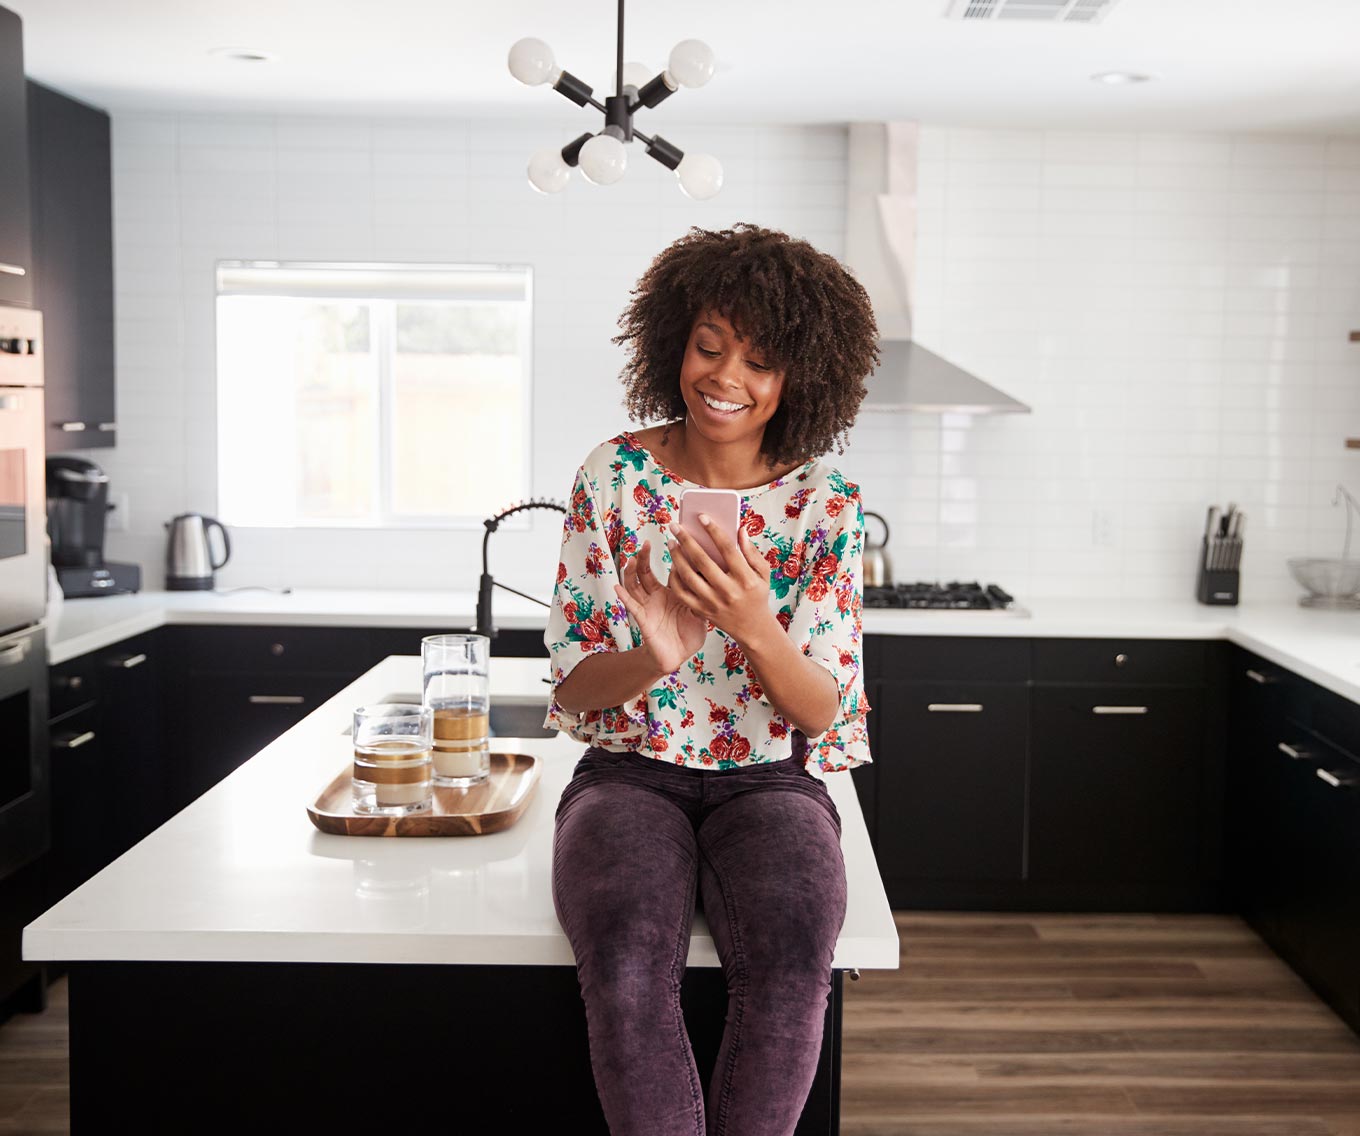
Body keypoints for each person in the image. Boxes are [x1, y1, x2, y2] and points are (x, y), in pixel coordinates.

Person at [544, 222, 880, 1136]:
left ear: (798, 379)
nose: (726, 378)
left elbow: (825, 707)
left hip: (770, 779)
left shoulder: (827, 505)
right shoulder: (611, 478)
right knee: (622, 964)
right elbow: (574, 689)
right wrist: (655, 656)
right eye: (708, 346)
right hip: (628, 773)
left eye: (760, 362)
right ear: (674, 343)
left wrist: (753, 627)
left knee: (792, 967)